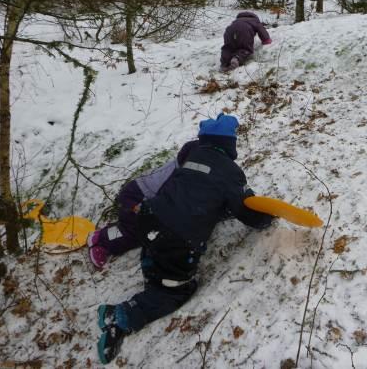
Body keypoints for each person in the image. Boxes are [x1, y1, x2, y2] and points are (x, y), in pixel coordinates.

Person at [96, 114, 273, 364]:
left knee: (158, 254)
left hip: (150, 220)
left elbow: (194, 191)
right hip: (178, 239)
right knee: (177, 291)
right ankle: (120, 316)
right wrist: (265, 219)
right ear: (229, 144)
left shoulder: (193, 156)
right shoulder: (231, 172)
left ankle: (152, 267)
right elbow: (245, 208)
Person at [87, 141, 199, 269]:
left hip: (138, 193)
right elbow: (164, 199)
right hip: (135, 197)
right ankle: (101, 241)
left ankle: (110, 231)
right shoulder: (174, 176)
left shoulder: (178, 169)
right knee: (135, 232)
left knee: (136, 227)